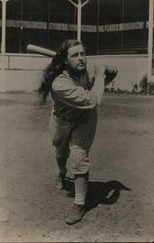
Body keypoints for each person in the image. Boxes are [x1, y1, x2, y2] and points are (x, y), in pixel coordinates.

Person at [39, 39, 105, 225]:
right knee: (61, 153)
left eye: (82, 54)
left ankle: (79, 203)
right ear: (66, 61)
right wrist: (100, 77)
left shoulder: (87, 69)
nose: (81, 58)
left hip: (85, 120)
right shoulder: (59, 84)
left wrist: (106, 75)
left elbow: (95, 92)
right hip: (61, 120)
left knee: (79, 158)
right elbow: (94, 99)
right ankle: (61, 172)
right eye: (75, 55)